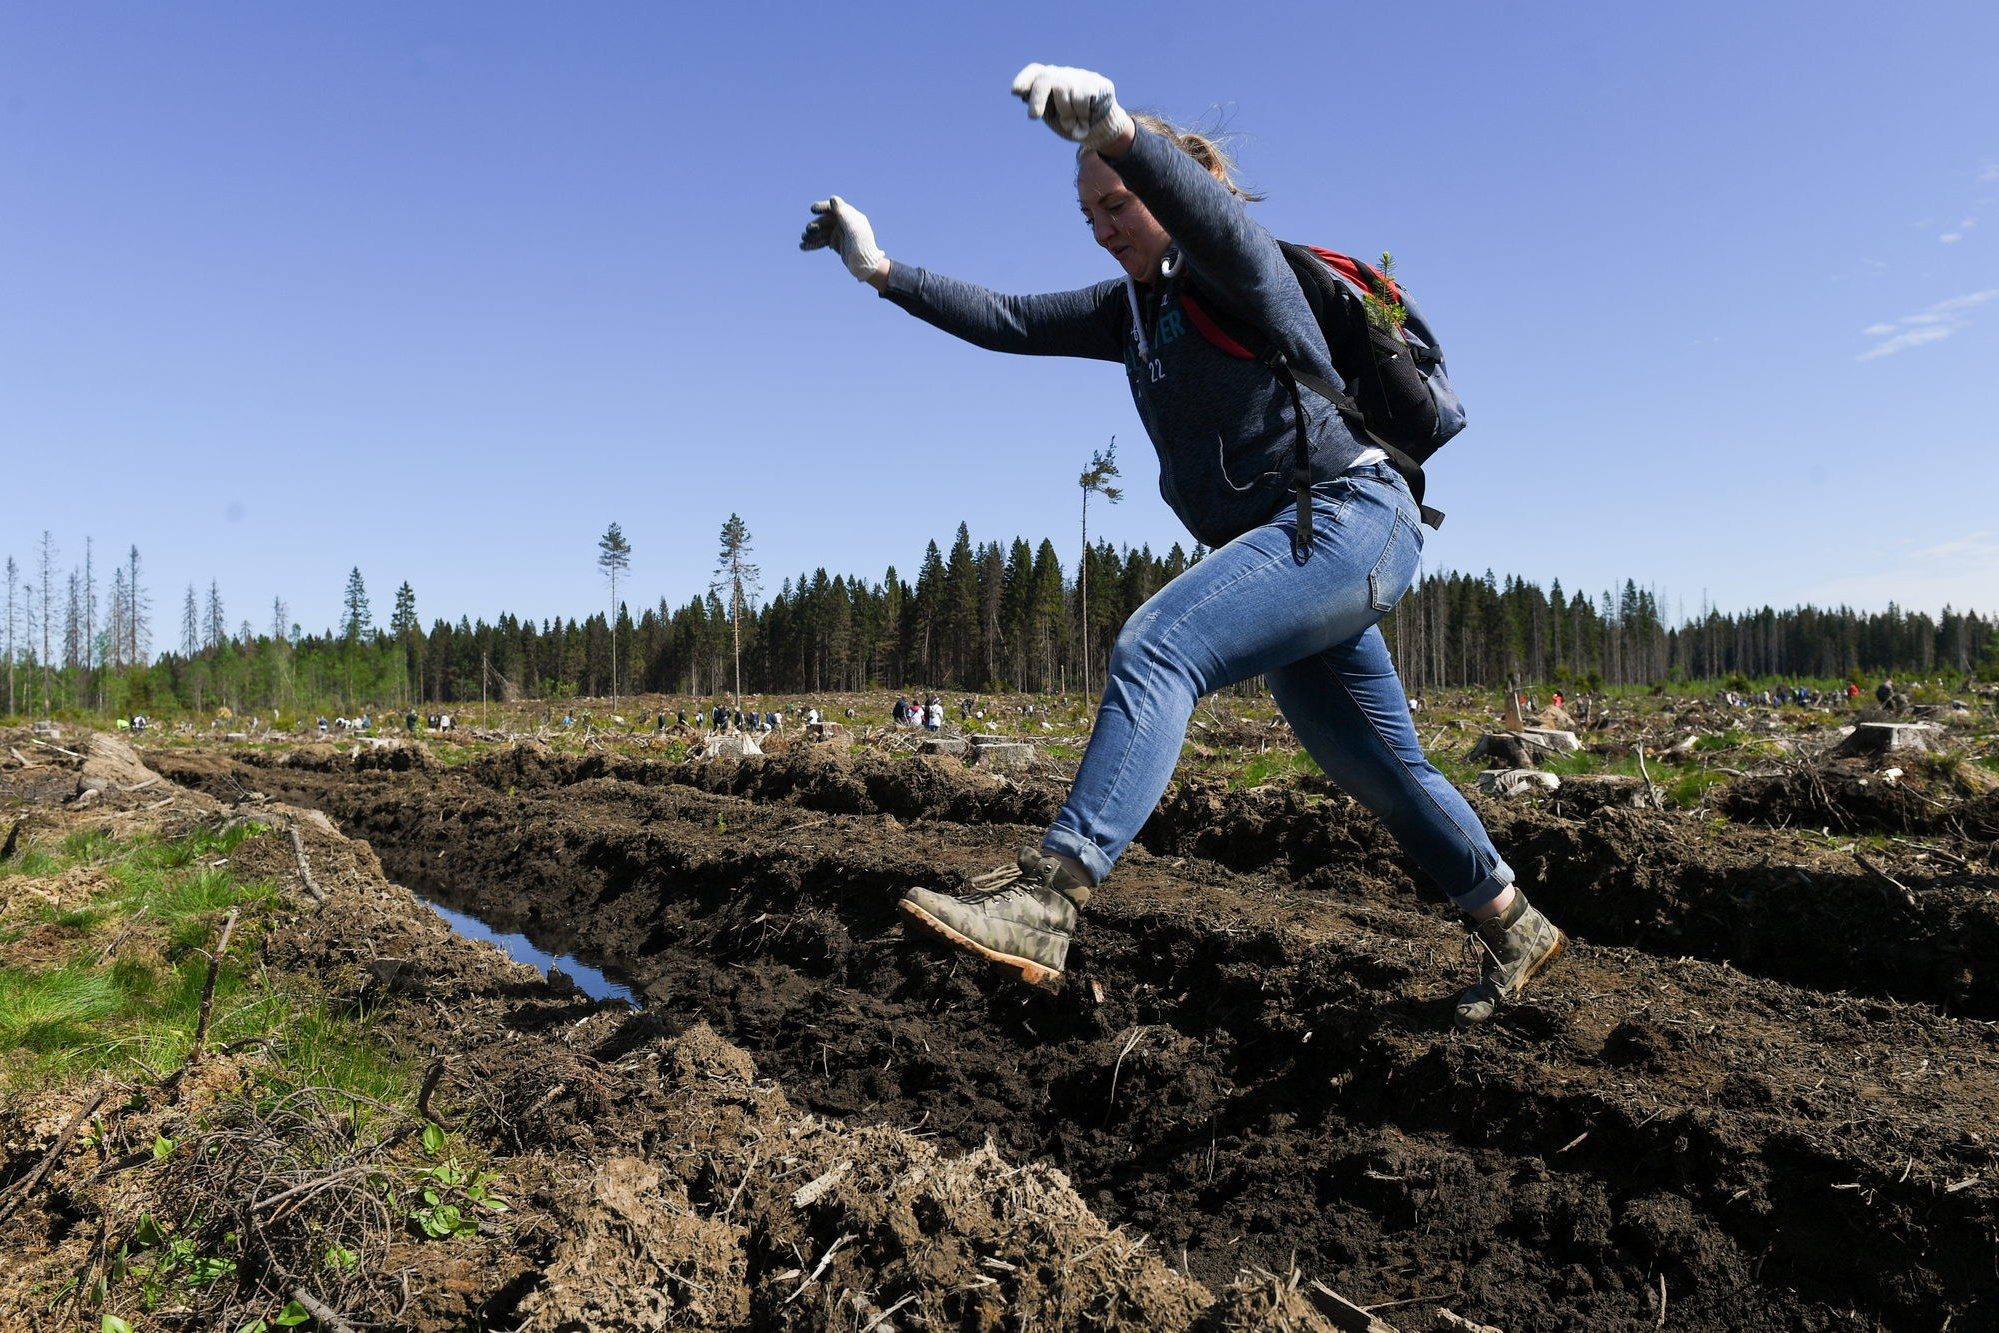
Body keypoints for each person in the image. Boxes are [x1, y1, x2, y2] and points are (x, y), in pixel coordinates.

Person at [803, 62, 1562, 1025]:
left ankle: (1049, 896)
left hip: (1344, 517)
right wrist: (878, 272)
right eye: (1089, 215)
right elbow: (1004, 320)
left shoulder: (1240, 270)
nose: (1104, 225)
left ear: (1166, 187)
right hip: (1289, 551)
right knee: (1379, 767)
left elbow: (1212, 219)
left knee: (1158, 645)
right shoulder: (1127, 312)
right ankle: (1514, 923)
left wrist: (1119, 129)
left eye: (1118, 202)